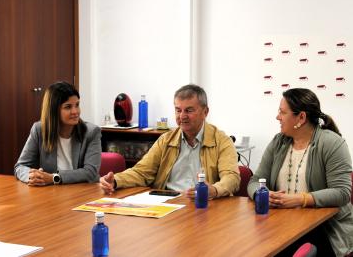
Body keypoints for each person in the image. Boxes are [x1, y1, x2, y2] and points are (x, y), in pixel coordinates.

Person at [247, 88, 353, 257]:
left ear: (301, 117)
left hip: (323, 229)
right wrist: (262, 195)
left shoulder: (332, 143)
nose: (277, 117)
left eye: (282, 112)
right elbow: (255, 180)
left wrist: (300, 199)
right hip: (280, 225)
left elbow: (342, 193)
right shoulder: (278, 142)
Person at [100, 84, 240, 199]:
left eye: (189, 110)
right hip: (169, 204)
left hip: (204, 205)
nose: (182, 116)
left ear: (205, 112)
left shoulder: (222, 141)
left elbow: (232, 177)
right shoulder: (166, 140)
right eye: (178, 110)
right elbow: (142, 172)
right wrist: (116, 181)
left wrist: (214, 190)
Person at [14, 81, 101, 186]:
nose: (75, 111)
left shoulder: (91, 132)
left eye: (77, 105)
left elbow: (90, 172)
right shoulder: (39, 130)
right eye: (68, 107)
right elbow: (20, 166)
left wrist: (54, 178)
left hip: (83, 192)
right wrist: (32, 176)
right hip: (51, 193)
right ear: (53, 110)